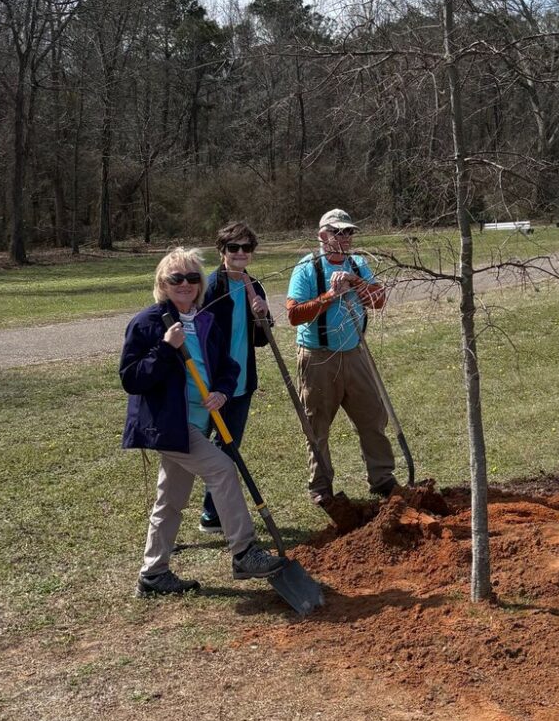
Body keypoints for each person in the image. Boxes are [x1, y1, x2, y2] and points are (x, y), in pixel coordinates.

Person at [120, 246, 285, 596]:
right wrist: (166, 348)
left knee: (170, 501)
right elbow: (131, 378)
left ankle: (153, 574)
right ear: (162, 283)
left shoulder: (205, 321)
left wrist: (223, 391)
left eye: (192, 278)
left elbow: (227, 367)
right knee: (222, 468)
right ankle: (243, 551)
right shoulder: (148, 323)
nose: (185, 284)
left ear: (200, 283)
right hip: (169, 425)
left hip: (196, 423)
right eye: (176, 278)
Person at [286, 208, 397, 513]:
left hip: (355, 353)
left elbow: (378, 301)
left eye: (348, 232)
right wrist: (331, 295)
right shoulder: (308, 268)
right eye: (338, 232)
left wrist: (356, 283)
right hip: (318, 358)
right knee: (317, 425)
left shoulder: (358, 264)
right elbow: (295, 315)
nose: (344, 238)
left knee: (373, 418)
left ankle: (382, 478)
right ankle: (321, 488)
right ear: (322, 235)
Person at [197, 221, 271, 533]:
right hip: (210, 385)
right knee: (201, 449)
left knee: (228, 448)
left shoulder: (254, 286)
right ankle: (194, 513)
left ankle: (212, 514)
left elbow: (261, 339)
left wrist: (263, 315)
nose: (240, 253)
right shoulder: (210, 289)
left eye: (246, 248)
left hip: (241, 385)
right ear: (222, 251)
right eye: (233, 248)